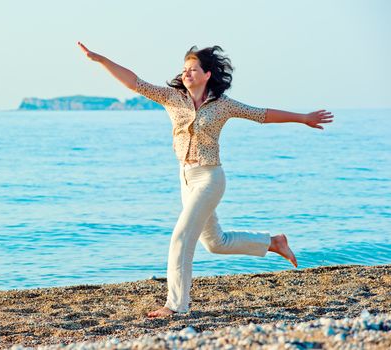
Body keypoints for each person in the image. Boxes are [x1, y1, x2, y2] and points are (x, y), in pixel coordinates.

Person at [77, 42, 334, 318]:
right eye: (184, 69)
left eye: (193, 69)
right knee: (215, 243)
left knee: (181, 237)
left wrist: (303, 118)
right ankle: (273, 242)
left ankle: (176, 305)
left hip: (210, 178)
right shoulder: (172, 97)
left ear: (207, 74)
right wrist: (101, 59)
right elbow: (134, 83)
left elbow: (262, 115)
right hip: (186, 178)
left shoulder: (222, 106)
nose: (186, 73)